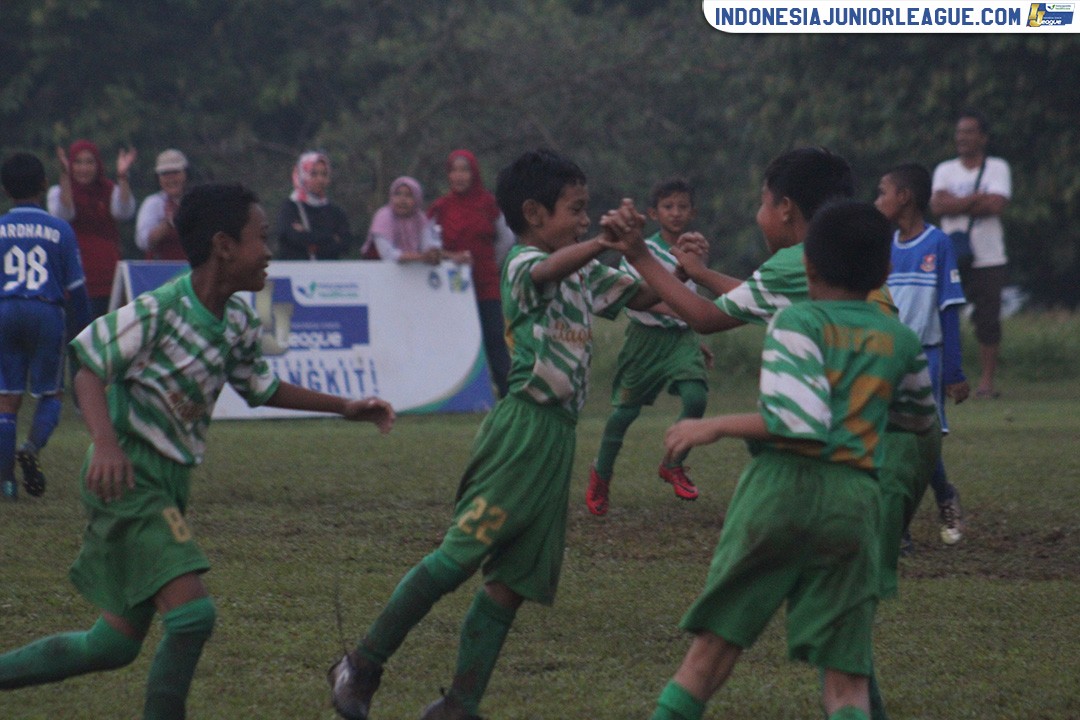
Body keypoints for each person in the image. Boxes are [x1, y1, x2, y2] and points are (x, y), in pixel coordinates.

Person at [0, 183, 395, 718]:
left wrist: (345, 406)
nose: (270, 251)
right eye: (261, 238)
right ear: (224, 246)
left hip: (170, 486)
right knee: (193, 617)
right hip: (128, 481)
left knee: (111, 645)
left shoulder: (235, 322)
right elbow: (87, 363)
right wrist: (107, 444)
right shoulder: (160, 310)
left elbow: (260, 386)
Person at [601, 147, 940, 720]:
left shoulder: (795, 316)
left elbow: (722, 329)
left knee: (708, 658)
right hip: (864, 485)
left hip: (784, 489)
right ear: (883, 271)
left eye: (762, 201)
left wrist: (709, 426)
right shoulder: (896, 334)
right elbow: (920, 425)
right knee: (847, 669)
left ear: (789, 218)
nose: (759, 211)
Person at [328, 149, 661, 720]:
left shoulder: (585, 267)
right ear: (533, 213)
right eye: (575, 210)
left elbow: (646, 295)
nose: (585, 220)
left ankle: (460, 703)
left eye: (588, 211)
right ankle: (361, 664)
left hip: (559, 438)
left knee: (512, 581)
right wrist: (604, 244)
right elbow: (543, 272)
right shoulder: (522, 262)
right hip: (522, 430)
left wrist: (653, 254)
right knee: (458, 557)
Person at [586, 176, 711, 516]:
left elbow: (691, 300)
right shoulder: (640, 250)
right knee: (623, 414)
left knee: (696, 397)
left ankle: (673, 463)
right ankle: (601, 475)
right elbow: (638, 300)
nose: (676, 213)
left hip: (681, 338)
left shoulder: (690, 252)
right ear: (654, 213)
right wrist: (679, 306)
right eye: (668, 207)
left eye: (682, 207)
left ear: (693, 212)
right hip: (645, 341)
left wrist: (696, 336)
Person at [877, 163, 971, 546]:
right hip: (887, 358)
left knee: (922, 442)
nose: (877, 200)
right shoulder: (884, 248)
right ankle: (898, 528)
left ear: (905, 197)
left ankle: (944, 495)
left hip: (925, 358)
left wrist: (953, 371)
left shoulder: (938, 244)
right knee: (890, 440)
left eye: (882, 192)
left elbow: (949, 311)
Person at [0, 152, 91, 500]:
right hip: (45, 312)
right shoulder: (60, 230)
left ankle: (6, 482)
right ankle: (32, 447)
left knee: (7, 400)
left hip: (5, 310)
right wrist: (83, 332)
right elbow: (77, 290)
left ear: (6, 188)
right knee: (50, 393)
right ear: (43, 184)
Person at [930, 109, 1012, 399]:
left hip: (989, 257)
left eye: (969, 132)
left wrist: (956, 202)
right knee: (944, 314)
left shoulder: (997, 167)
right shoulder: (944, 169)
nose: (962, 137)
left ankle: (986, 382)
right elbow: (937, 206)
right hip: (952, 254)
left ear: (983, 137)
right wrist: (976, 198)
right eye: (959, 132)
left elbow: (996, 205)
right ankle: (945, 376)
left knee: (988, 319)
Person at [428, 149, 515, 398]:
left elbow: (506, 239)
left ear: (474, 173)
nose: (459, 176)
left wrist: (486, 262)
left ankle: (507, 392)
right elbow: (429, 244)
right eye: (454, 170)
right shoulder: (441, 207)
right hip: (451, 288)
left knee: (494, 338)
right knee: (454, 340)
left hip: (486, 282)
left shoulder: (488, 204)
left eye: (464, 170)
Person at [47, 139, 137, 322]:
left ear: (98, 165)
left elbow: (125, 211)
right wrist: (65, 177)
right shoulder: (57, 192)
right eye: (78, 162)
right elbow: (64, 214)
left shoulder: (109, 189)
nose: (84, 168)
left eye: (89, 162)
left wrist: (123, 177)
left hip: (107, 277)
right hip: (74, 278)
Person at [275, 150, 353, 260]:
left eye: (324, 174)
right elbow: (289, 237)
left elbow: (345, 243)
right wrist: (330, 238)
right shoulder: (290, 208)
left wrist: (310, 240)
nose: (320, 179)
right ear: (302, 175)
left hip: (328, 274)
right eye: (314, 174)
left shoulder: (335, 212)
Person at [360, 176, 442, 264]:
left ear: (417, 199)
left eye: (408, 195)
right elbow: (388, 255)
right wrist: (422, 257)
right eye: (397, 194)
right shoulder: (383, 216)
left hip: (411, 271)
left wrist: (432, 253)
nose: (402, 200)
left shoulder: (420, 218)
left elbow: (428, 246)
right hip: (376, 270)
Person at [135, 149, 190, 261]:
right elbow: (143, 241)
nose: (170, 178)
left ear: (185, 174)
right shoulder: (153, 203)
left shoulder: (195, 201)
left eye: (175, 172)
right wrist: (168, 223)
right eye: (165, 174)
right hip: (160, 270)